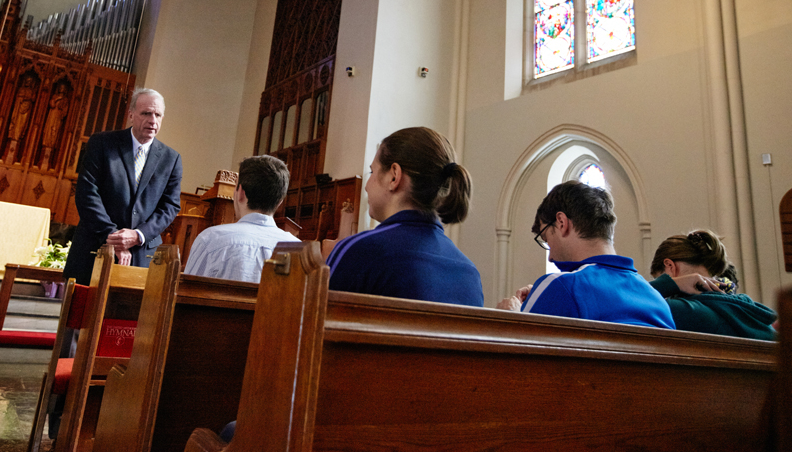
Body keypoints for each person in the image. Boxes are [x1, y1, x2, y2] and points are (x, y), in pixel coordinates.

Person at [326, 127, 484, 307]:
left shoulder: (358, 252)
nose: (366, 186)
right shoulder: (469, 273)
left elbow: (312, 328)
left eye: (372, 172)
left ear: (394, 176)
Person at [496, 180, 674, 329]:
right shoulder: (658, 302)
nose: (550, 256)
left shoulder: (561, 286)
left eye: (546, 238)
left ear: (561, 222)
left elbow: (514, 363)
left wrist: (509, 319)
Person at [63, 88, 183, 285]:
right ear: (131, 115)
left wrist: (137, 235)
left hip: (141, 255)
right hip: (95, 246)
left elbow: (170, 206)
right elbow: (87, 193)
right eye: (146, 113)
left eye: (158, 115)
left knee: (127, 315)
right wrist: (113, 236)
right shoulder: (102, 144)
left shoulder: (172, 159)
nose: (153, 120)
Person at [185, 155, 300, 282]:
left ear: (240, 193)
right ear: (280, 202)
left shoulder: (210, 239)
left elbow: (186, 293)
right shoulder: (300, 251)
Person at [648, 230, 776, 340]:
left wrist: (668, 284)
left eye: (660, 277)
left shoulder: (685, 310)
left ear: (670, 266)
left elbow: (632, 301)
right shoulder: (739, 308)